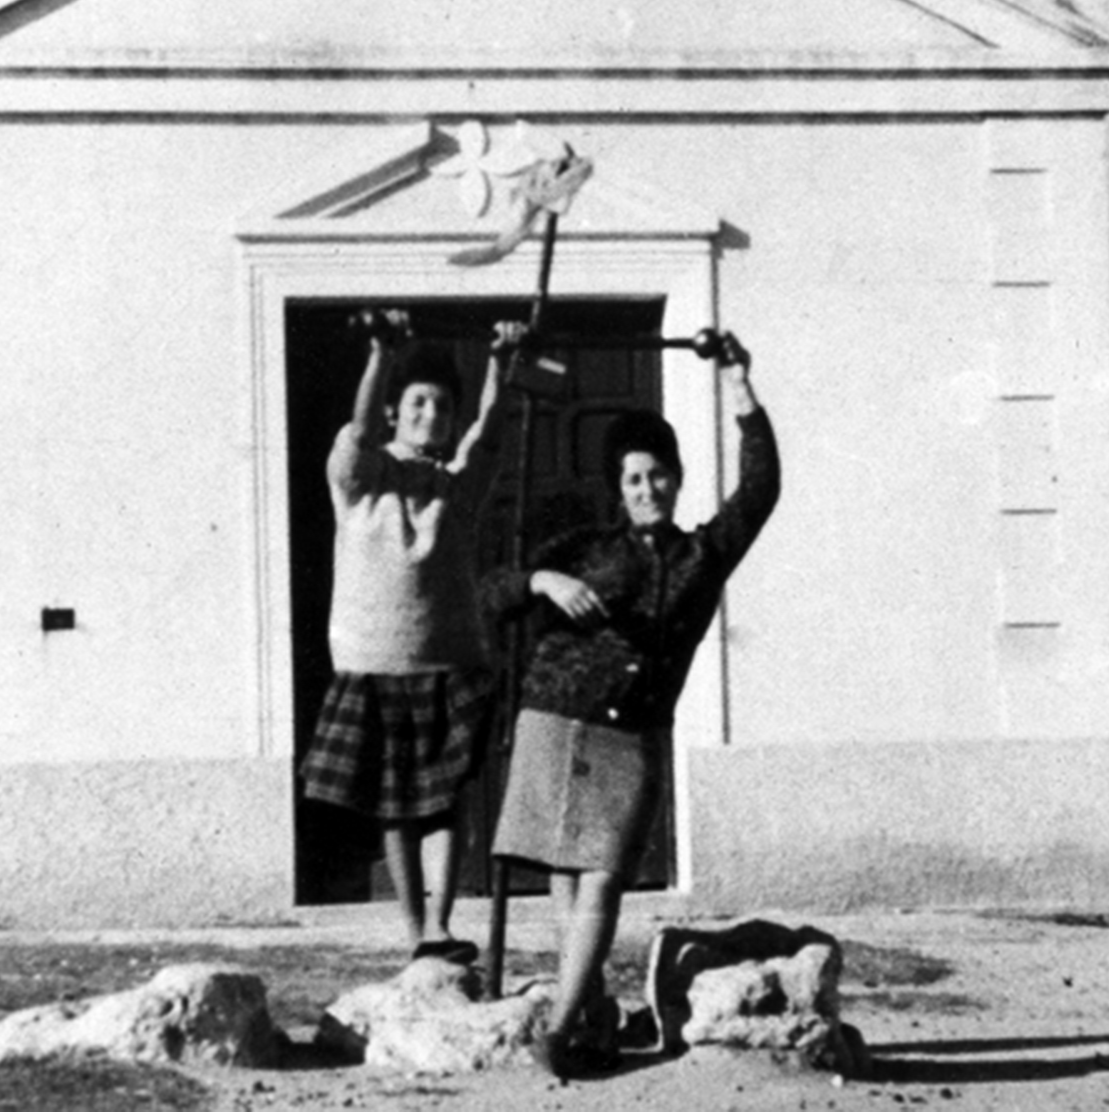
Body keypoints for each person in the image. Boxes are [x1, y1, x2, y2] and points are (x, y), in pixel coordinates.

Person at [487, 331, 778, 1077]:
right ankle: (584, 1012)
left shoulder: (701, 555)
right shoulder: (584, 544)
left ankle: (559, 1027)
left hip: (630, 734)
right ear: (617, 488)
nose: (647, 489)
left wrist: (737, 385)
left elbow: (761, 488)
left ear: (677, 481)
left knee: (604, 876)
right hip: (554, 718)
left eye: (658, 476)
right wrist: (540, 583)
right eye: (633, 478)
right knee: (563, 872)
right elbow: (487, 590)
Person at [302, 311, 526, 964]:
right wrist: (380, 355)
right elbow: (358, 431)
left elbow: (490, 434)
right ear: (397, 413)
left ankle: (439, 923)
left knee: (444, 798)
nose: (431, 413)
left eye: (442, 405)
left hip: (449, 661)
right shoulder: (359, 480)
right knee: (395, 804)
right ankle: (412, 928)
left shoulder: (457, 486)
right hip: (374, 662)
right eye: (418, 402)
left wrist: (499, 364)